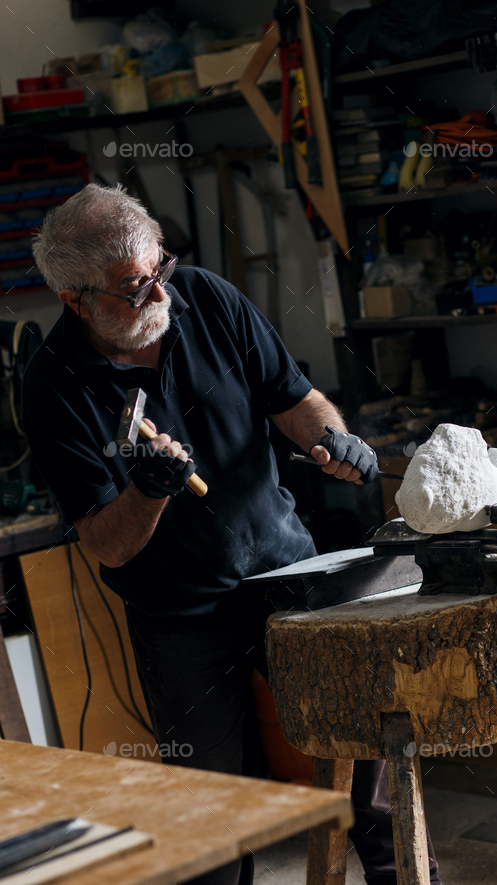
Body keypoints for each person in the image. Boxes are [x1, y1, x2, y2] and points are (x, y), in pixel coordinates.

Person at [23, 184, 441, 885]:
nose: (157, 293)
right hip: (180, 616)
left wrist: (333, 440)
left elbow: (293, 397)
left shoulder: (207, 298)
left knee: (364, 748)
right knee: (212, 809)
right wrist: (147, 491)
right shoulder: (52, 386)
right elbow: (107, 544)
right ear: (76, 298)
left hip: (286, 574)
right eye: (133, 287)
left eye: (161, 269)